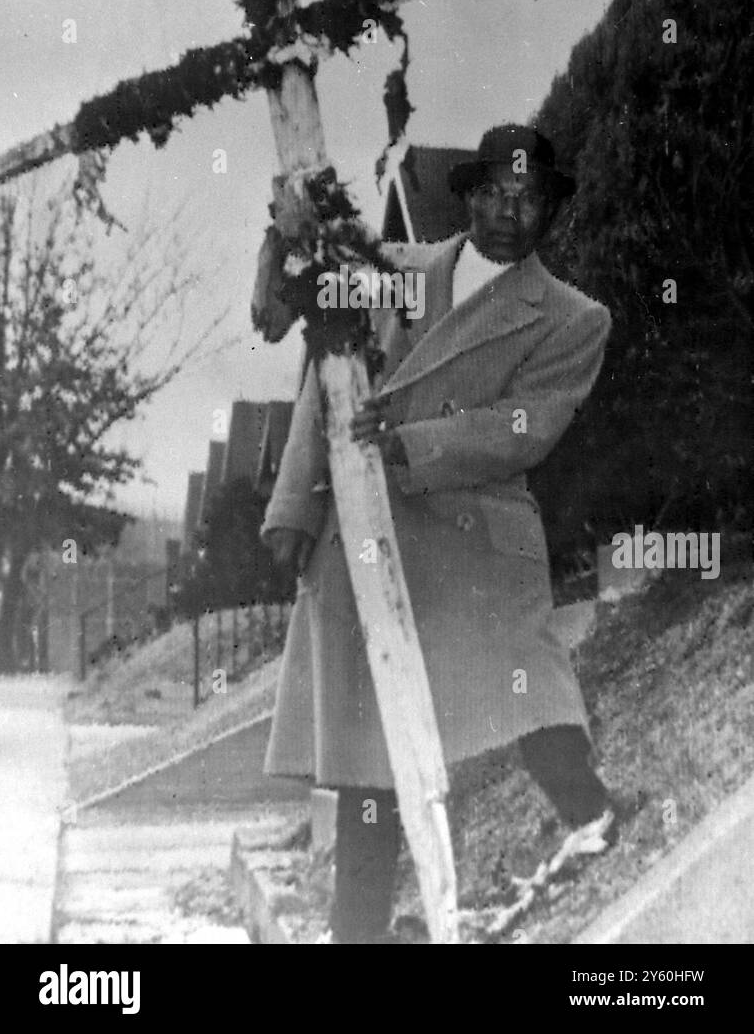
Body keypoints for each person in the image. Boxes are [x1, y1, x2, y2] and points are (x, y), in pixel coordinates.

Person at [261, 123, 614, 944]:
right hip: (368, 536)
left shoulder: (572, 318)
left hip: (473, 541)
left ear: (549, 210)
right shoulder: (397, 273)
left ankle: (591, 816)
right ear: (466, 196)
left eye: (525, 196)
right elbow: (328, 371)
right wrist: (291, 507)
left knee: (527, 692)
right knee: (368, 749)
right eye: (490, 191)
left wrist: (414, 443)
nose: (505, 210)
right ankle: (357, 931)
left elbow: (524, 427)